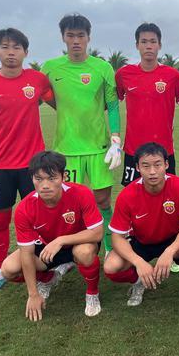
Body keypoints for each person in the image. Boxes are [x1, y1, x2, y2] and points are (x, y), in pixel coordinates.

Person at [0, 28, 53, 295]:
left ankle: (46, 267)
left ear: (25, 52)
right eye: (5, 47)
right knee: (0, 219)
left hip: (33, 167)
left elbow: (59, 103)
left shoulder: (37, 80)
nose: (11, 52)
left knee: (40, 218)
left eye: (16, 47)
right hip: (1, 166)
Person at [42, 14, 121, 254]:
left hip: (98, 147)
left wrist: (116, 138)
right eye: (71, 35)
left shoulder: (102, 68)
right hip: (66, 149)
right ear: (63, 37)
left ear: (88, 37)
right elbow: (44, 97)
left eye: (81, 35)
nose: (76, 41)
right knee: (69, 204)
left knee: (103, 201)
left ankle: (110, 248)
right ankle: (70, 253)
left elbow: (113, 106)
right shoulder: (50, 68)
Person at [0, 151, 103, 320]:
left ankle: (92, 293)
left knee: (84, 253)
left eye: (52, 178)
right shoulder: (24, 209)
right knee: (8, 269)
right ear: (32, 179)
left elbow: (97, 233)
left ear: (64, 177)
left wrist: (61, 240)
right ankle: (47, 278)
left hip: (80, 242)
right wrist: (33, 294)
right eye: (39, 179)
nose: (45, 185)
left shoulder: (81, 193)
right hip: (48, 248)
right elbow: (26, 253)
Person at [104, 143, 179, 307]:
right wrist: (138, 262)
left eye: (157, 165)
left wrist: (169, 252)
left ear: (166, 164)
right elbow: (117, 237)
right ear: (137, 167)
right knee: (110, 266)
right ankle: (138, 281)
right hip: (141, 241)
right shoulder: (127, 195)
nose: (152, 171)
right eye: (146, 166)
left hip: (172, 239)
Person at [115, 23, 179, 186]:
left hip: (164, 150)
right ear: (137, 45)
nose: (148, 46)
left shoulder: (173, 76)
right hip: (133, 149)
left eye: (153, 41)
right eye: (144, 41)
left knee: (167, 193)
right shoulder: (123, 74)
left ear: (159, 45)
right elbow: (113, 103)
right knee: (133, 193)